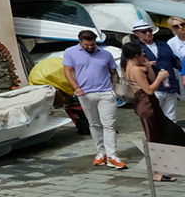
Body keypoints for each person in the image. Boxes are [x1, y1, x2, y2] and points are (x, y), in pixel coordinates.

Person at [122, 39, 185, 181]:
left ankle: (172, 160)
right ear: (136, 54)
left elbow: (150, 77)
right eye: (142, 54)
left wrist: (148, 67)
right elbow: (149, 90)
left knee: (172, 130)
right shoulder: (135, 70)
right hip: (147, 105)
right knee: (153, 138)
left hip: (147, 104)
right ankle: (155, 172)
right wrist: (161, 77)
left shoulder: (126, 66)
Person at [64, 29, 126, 169]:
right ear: (80, 42)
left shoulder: (105, 53)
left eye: (92, 44)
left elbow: (113, 72)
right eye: (87, 45)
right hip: (85, 93)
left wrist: (114, 89)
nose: (90, 47)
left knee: (109, 124)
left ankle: (112, 155)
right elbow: (67, 71)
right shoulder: (70, 52)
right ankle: (101, 152)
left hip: (106, 93)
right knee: (94, 124)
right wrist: (76, 87)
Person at [132, 21, 180, 121]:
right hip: (152, 88)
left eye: (150, 31)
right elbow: (128, 67)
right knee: (154, 118)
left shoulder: (163, 45)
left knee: (171, 118)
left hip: (169, 86)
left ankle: (170, 137)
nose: (148, 33)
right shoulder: (133, 48)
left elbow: (175, 61)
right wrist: (145, 66)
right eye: (144, 31)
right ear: (136, 33)